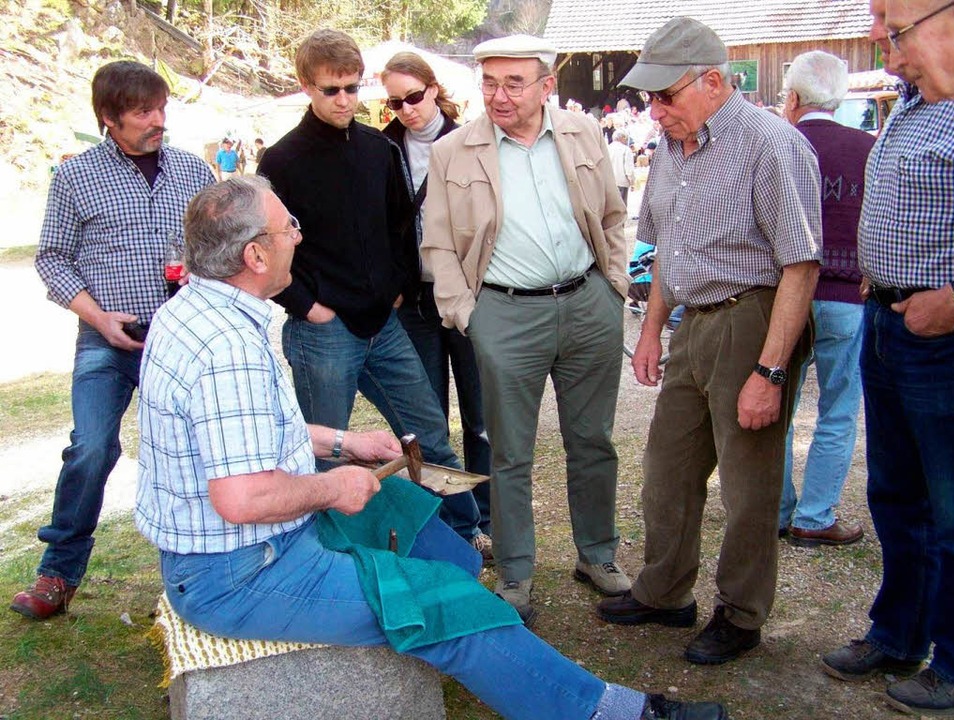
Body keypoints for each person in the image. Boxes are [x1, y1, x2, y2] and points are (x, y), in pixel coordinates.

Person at [136, 175, 729, 720]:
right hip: (240, 574)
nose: (298, 236)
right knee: (445, 603)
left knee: (430, 535)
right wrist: (333, 485)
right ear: (255, 256)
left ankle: (502, 654)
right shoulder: (226, 347)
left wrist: (344, 441)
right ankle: (619, 714)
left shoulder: (201, 311)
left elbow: (241, 435)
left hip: (253, 551)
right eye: (288, 227)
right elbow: (241, 498)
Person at [596, 17, 821, 666]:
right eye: (648, 98)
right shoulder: (672, 145)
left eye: (665, 96)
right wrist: (651, 327)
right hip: (691, 322)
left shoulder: (772, 145)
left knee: (749, 485)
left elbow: (800, 267)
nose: (653, 111)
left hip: (753, 318)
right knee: (667, 468)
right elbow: (668, 241)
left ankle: (742, 615)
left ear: (715, 82)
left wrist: (770, 372)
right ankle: (665, 591)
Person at [422, 34, 631, 626]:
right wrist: (470, 315)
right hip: (504, 314)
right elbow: (438, 243)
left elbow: (613, 217)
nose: (499, 95)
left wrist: (612, 287)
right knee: (509, 452)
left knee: (593, 441)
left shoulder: (582, 132)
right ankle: (515, 574)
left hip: (588, 303)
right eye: (490, 82)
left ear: (546, 86)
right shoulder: (452, 152)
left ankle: (598, 556)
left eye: (515, 83)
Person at [255, 30, 484, 548]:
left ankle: (464, 534)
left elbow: (401, 227)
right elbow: (263, 246)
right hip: (324, 331)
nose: (344, 100)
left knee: (429, 436)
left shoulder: (378, 148)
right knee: (317, 454)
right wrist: (306, 306)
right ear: (307, 87)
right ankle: (312, 550)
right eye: (331, 89)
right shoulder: (281, 161)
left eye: (353, 88)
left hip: (385, 324)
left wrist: (399, 289)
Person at [9, 60, 214, 621]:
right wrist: (99, 319)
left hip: (183, 340)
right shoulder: (75, 178)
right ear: (108, 118)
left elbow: (220, 244)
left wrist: (204, 271)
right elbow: (51, 259)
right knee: (92, 447)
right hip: (106, 340)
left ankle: (202, 579)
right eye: (143, 112)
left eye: (161, 109)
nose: (157, 121)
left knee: (202, 454)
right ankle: (58, 573)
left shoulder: (195, 172)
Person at [821, 0, 954, 715]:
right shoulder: (911, 103)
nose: (878, 33)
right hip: (888, 320)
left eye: (890, 20)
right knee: (895, 496)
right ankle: (898, 633)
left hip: (944, 337)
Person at [380, 52, 494, 555]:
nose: (406, 108)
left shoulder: (472, 140)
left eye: (414, 96)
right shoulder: (383, 147)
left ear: (433, 89)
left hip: (468, 292)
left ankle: (487, 517)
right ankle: (448, 520)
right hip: (415, 301)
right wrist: (395, 283)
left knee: (480, 415)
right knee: (426, 418)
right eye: (395, 101)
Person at [778, 50, 876, 547]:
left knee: (779, 402)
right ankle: (814, 518)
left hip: (785, 297)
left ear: (792, 96)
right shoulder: (869, 147)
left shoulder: (779, 142)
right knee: (838, 408)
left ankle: (777, 509)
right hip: (849, 295)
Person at [607, 128, 635, 207]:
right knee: (621, 207)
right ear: (622, 138)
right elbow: (629, 169)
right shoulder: (626, 150)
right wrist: (632, 182)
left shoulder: (607, 148)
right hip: (621, 181)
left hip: (609, 182)